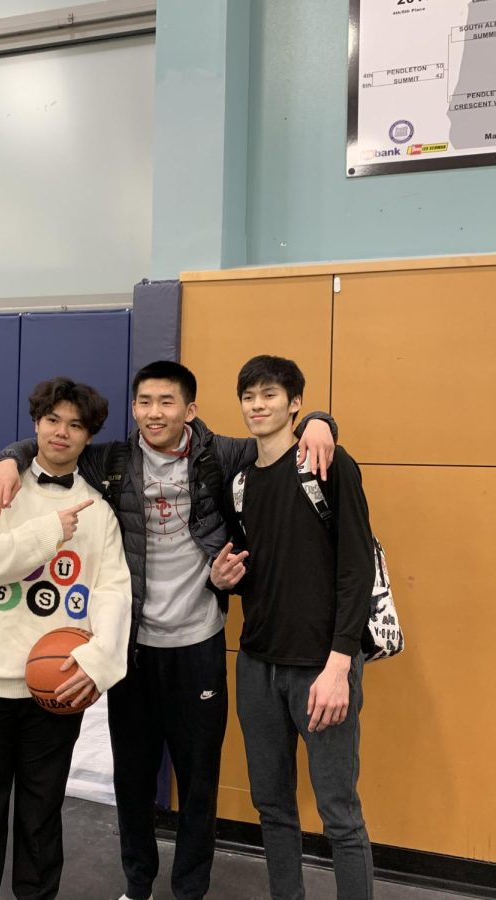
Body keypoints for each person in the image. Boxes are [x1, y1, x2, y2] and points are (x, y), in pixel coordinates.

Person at [0, 360, 337, 900]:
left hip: (198, 644)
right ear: (134, 408)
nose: (154, 412)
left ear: (189, 410)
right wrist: (9, 459)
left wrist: (319, 422)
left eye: (167, 402)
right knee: (133, 778)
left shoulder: (221, 454)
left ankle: (190, 889)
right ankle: (139, 884)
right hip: (132, 647)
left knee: (199, 780)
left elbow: (280, 435)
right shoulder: (112, 460)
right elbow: (51, 445)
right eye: (144, 402)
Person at [0, 377, 131, 900]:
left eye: (76, 425)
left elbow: (114, 590)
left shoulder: (100, 510)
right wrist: (44, 532)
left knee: (42, 820)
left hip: (53, 691)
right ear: (35, 424)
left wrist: (101, 660)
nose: (61, 432)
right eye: (53, 420)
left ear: (89, 437)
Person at [211, 355, 374, 900]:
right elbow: (260, 565)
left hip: (322, 668)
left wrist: (339, 663)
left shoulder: (327, 464)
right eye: (249, 396)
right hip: (257, 664)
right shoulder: (238, 482)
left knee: (339, 816)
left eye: (270, 395)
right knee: (273, 808)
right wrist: (224, 578)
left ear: (295, 404)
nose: (258, 405)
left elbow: (356, 567)